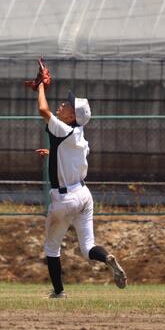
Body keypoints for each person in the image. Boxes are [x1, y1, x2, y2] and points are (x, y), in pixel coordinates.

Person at [34, 81, 127, 298]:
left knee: (52, 248)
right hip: (84, 195)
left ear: (72, 116)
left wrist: (40, 87)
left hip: (64, 199)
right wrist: (53, 154)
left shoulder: (63, 129)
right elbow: (73, 157)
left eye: (69, 105)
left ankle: (59, 293)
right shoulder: (79, 135)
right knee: (88, 248)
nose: (63, 104)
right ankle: (106, 258)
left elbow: (43, 110)